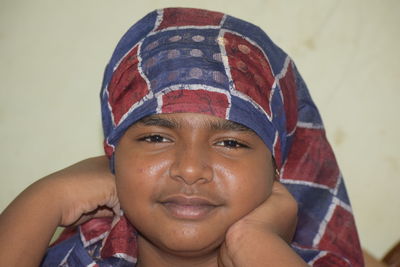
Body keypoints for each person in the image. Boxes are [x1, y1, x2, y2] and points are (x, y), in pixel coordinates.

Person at [0, 7, 364, 266]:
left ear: (276, 169)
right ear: (113, 155)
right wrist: (47, 197)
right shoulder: (73, 257)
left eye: (231, 143)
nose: (190, 170)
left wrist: (255, 244)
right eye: (156, 138)